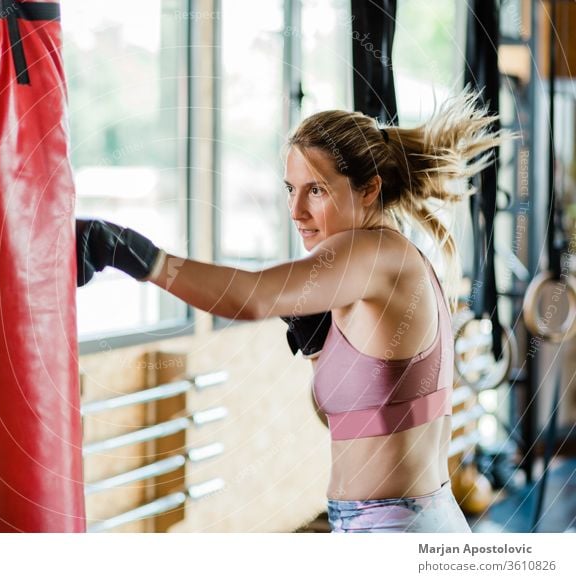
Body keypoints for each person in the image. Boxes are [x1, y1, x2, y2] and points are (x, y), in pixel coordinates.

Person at [75, 90, 505, 533]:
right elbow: (355, 425)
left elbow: (252, 296)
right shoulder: (365, 272)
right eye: (290, 190)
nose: (296, 211)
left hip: (401, 529)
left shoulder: (375, 252)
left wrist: (133, 254)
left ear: (370, 188)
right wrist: (319, 346)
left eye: (316, 190)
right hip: (375, 524)